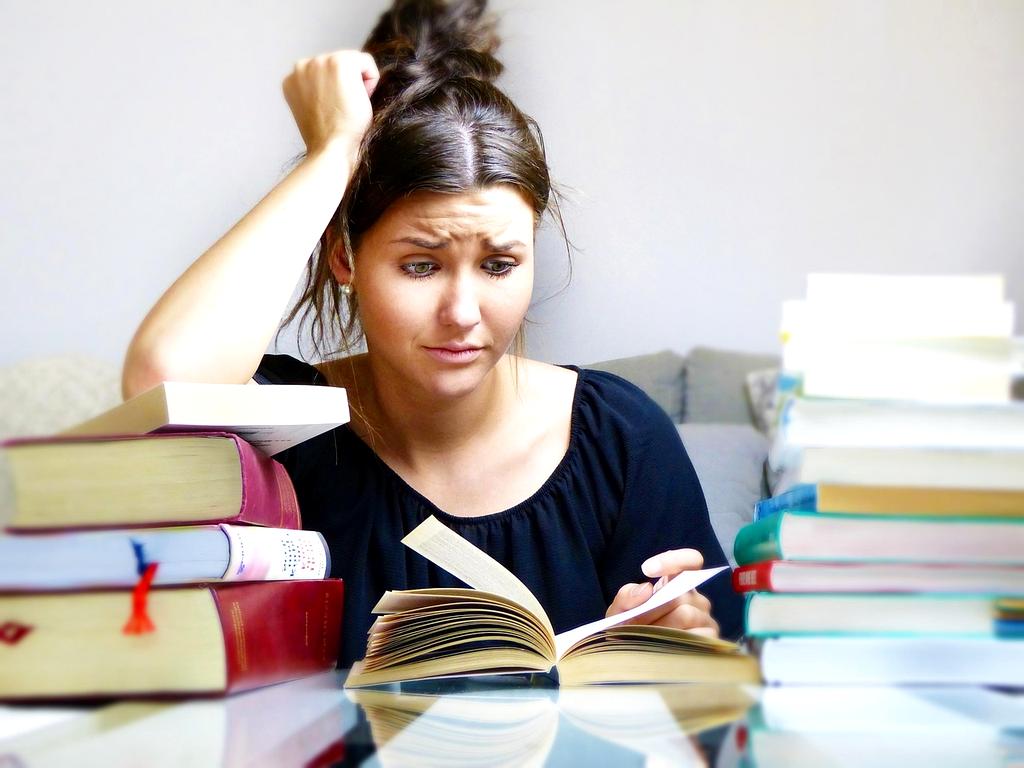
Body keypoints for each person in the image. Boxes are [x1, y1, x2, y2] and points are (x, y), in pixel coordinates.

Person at [122, 0, 743, 667]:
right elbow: (161, 381)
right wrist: (332, 154)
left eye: (499, 265)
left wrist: (679, 645)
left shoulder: (621, 437)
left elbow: (710, 702)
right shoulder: (289, 433)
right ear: (345, 258)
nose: (463, 312)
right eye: (420, 266)